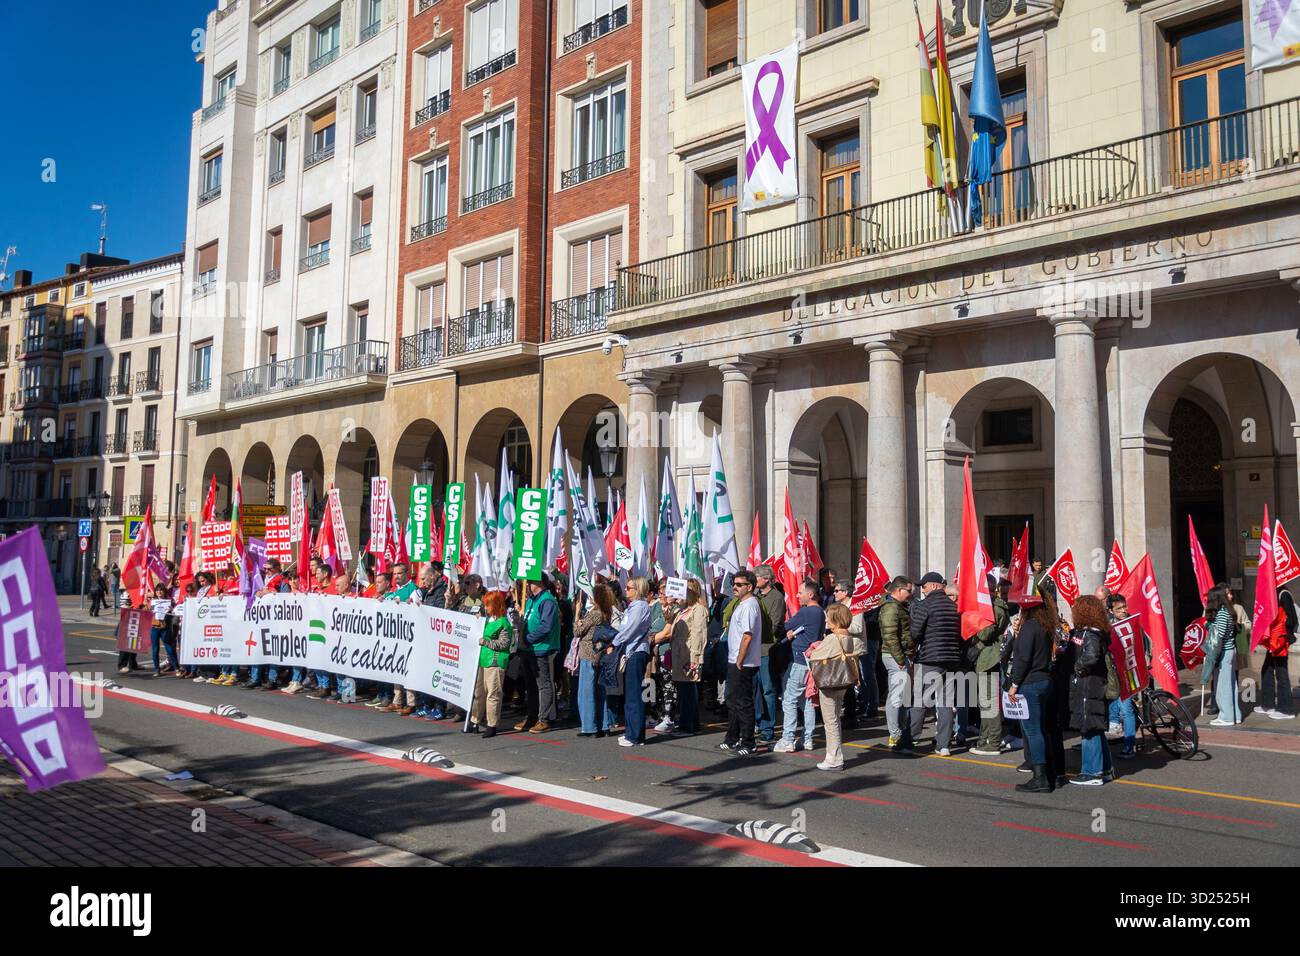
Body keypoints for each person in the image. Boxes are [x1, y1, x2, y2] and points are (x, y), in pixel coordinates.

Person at [1008, 595, 1063, 793]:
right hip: (1045, 680)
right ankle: (1051, 774)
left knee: (1032, 730)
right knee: (1043, 729)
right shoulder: (1045, 626)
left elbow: (1022, 658)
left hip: (1030, 682)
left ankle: (1040, 778)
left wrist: (1014, 684)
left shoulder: (1030, 627)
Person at [909, 571, 963, 755]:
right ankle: (944, 745)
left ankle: (911, 739)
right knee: (946, 703)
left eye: (923, 586)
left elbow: (915, 633)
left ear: (933, 586)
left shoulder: (926, 605)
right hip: (952, 658)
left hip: (930, 657)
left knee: (920, 700)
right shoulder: (953, 606)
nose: (922, 590)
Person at [810, 602, 864, 771]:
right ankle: (835, 755)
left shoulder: (833, 638)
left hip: (829, 682)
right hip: (843, 681)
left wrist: (813, 649)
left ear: (835, 619)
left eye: (828, 618)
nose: (826, 621)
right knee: (835, 719)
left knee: (830, 721)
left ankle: (833, 758)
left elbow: (814, 657)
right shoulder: (849, 637)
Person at [1068, 595, 1115, 785]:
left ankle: (1092, 772)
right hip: (1093, 684)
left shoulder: (1092, 634)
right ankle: (1105, 769)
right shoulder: (1091, 632)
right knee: (1094, 726)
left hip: (1090, 685)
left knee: (1089, 726)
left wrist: (1078, 668)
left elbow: (1092, 656)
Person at [774, 579, 825, 753]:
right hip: (810, 662)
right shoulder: (819, 612)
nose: (797, 595)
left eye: (800, 592)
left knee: (789, 700)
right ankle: (807, 738)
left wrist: (786, 634)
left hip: (800, 661)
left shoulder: (807, 611)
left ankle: (788, 738)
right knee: (807, 701)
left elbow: (786, 625)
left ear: (811, 594)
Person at [720, 569, 763, 756]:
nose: (735, 587)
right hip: (735, 660)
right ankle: (733, 737)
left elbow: (747, 635)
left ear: (750, 587)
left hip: (744, 663)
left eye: (739, 584)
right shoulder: (741, 603)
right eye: (734, 584)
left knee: (743, 703)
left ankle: (748, 742)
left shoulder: (749, 606)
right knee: (732, 700)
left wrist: (739, 660)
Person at [970, 577, 1011, 755]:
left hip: (989, 658)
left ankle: (993, 742)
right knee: (985, 702)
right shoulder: (992, 606)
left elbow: (986, 633)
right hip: (986, 657)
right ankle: (984, 738)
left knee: (989, 703)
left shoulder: (994, 608)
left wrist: (973, 619)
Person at [518, 573, 561, 733]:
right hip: (529, 648)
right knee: (531, 685)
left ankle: (544, 718)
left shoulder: (547, 600)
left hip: (541, 647)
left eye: (530, 581)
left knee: (543, 684)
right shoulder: (530, 600)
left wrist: (528, 638)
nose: (527, 584)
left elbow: (546, 626)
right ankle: (532, 716)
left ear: (539, 582)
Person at [878, 576, 916, 751]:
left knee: (900, 696)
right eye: (908, 590)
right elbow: (890, 636)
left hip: (900, 655)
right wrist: (901, 659)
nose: (910, 594)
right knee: (896, 697)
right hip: (894, 656)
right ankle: (895, 735)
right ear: (899, 590)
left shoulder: (897, 607)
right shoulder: (891, 608)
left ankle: (899, 731)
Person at [470, 590, 513, 737]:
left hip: (495, 661)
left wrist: (486, 642)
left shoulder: (503, 623)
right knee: (479, 692)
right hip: (483, 660)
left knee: (493, 693)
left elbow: (504, 643)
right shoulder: (488, 621)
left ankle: (492, 724)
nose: (485, 607)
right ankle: (475, 720)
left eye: (488, 605)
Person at [574, 583, 615, 736]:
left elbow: (577, 631)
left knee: (586, 691)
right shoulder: (606, 613)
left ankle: (589, 727)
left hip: (588, 654)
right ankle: (603, 725)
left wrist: (577, 614)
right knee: (599, 691)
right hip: (599, 653)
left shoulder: (594, 614)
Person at [670, 579, 708, 736]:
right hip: (679, 654)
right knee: (683, 689)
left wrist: (695, 656)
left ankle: (688, 726)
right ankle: (691, 723)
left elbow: (699, 634)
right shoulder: (682, 609)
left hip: (690, 654)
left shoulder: (699, 609)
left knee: (688, 690)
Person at [753, 565, 786, 744]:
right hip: (753, 650)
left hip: (767, 649)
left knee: (768, 689)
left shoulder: (776, 598)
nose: (755, 580)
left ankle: (768, 728)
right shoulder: (756, 597)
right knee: (756, 689)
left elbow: (774, 625)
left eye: (757, 577)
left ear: (766, 579)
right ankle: (758, 722)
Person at [1104, 592, 1137, 757]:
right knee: (1112, 699)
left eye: (1124, 607)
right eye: (1119, 609)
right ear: (1111, 610)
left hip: (1129, 672)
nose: (1123, 610)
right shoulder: (1108, 626)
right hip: (1113, 673)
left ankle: (1130, 745)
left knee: (1126, 709)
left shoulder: (1132, 623)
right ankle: (1115, 725)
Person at [1203, 585, 1241, 726]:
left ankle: (1226, 717)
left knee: (1223, 685)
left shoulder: (1222, 613)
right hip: (1228, 651)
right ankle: (1234, 714)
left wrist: (1208, 626)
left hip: (1224, 652)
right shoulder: (1227, 611)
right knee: (1231, 684)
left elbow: (1219, 634)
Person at [1257, 585, 1296, 720]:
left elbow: (1292, 619)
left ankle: (1286, 709)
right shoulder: (1274, 594)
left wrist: (1278, 631)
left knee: (1281, 672)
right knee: (1267, 669)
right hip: (1273, 640)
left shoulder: (1283, 594)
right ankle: (1268, 704)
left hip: (1280, 641)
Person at [148, 583, 177, 675]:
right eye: (157, 590)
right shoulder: (152, 601)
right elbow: (147, 611)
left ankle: (177, 667)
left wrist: (171, 609)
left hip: (165, 627)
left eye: (161, 590)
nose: (159, 592)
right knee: (155, 649)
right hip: (155, 627)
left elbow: (174, 611)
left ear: (164, 591)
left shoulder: (169, 600)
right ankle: (157, 669)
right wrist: (146, 605)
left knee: (169, 648)